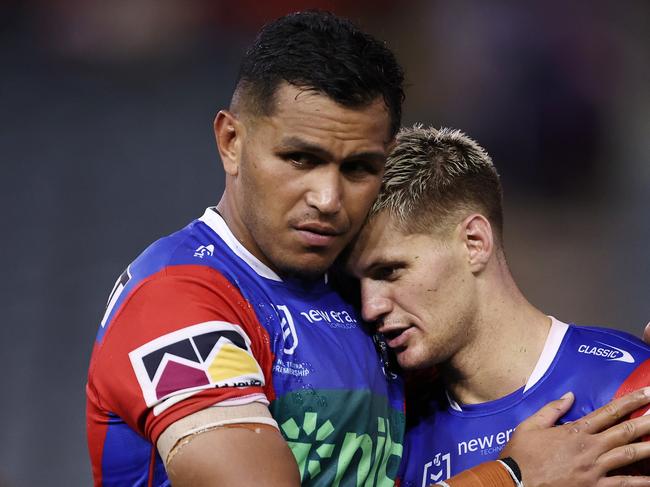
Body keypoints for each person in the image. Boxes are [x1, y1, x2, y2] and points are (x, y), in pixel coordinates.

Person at [86, 10, 650, 487]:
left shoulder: (360, 308)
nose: (329, 198)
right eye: (300, 159)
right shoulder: (179, 299)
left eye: (358, 168)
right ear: (231, 141)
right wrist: (512, 476)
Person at [346, 125, 650, 486]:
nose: (370, 307)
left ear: (474, 242)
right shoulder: (390, 431)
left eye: (390, 271)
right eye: (357, 284)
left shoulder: (632, 390)